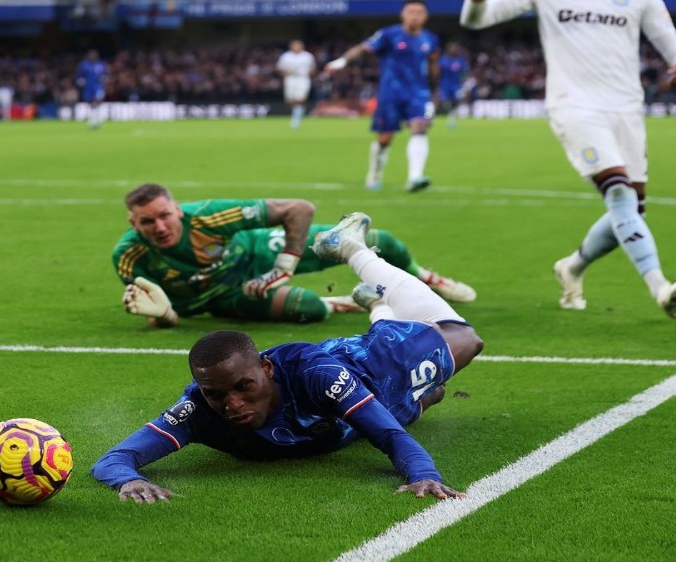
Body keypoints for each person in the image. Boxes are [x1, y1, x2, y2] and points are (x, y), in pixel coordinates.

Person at [93, 211, 483, 503]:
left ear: (266, 368)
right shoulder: (197, 409)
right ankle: (379, 305)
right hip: (361, 417)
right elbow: (114, 459)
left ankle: (352, 249)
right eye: (216, 394)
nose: (232, 404)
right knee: (431, 395)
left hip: (373, 367)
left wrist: (423, 475)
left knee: (464, 339)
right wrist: (129, 480)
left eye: (244, 386)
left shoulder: (318, 377)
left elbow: (389, 437)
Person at [459, 0, 676, 318]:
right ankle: (660, 286)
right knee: (620, 193)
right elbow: (474, 18)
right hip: (574, 106)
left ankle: (572, 267)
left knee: (631, 210)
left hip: (627, 110)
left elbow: (674, 48)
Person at [116, 183, 475, 328]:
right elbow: (160, 314)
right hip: (227, 297)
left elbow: (299, 209)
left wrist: (283, 265)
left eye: (164, 215)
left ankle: (428, 280)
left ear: (177, 210)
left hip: (260, 252)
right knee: (310, 310)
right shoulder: (129, 256)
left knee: (382, 240)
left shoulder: (209, 216)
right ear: (134, 223)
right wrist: (166, 316)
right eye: (147, 221)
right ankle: (348, 302)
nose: (159, 226)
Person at [325, 0, 440, 192]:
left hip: (419, 93)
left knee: (420, 127)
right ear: (403, 14)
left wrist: (435, 93)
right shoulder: (389, 34)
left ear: (425, 16)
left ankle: (415, 177)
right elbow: (363, 48)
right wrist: (342, 61)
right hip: (390, 94)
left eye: (419, 12)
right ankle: (375, 173)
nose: (415, 15)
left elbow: (433, 66)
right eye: (411, 11)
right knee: (385, 138)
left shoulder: (430, 39)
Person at [276, 39, 317, 129]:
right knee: (291, 100)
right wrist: (285, 72)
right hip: (290, 79)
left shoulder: (307, 56)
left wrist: (310, 72)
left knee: (300, 99)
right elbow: (279, 69)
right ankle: (299, 111)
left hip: (303, 79)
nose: (296, 47)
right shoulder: (285, 56)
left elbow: (313, 69)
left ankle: (296, 120)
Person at [438, 41, 470, 128]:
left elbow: (466, 72)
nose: (454, 50)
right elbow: (437, 72)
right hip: (445, 84)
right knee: (445, 103)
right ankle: (443, 115)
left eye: (455, 48)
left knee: (458, 101)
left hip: (456, 84)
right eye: (452, 48)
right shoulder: (443, 59)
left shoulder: (460, 60)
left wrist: (465, 83)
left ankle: (452, 118)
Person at [77, 50, 108, 129]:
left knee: (97, 102)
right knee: (91, 104)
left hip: (98, 86)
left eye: (94, 55)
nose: (93, 56)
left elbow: (106, 74)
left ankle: (96, 121)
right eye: (91, 55)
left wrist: (104, 78)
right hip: (88, 87)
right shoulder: (84, 65)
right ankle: (92, 122)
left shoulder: (101, 64)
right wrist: (80, 80)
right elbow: (79, 75)